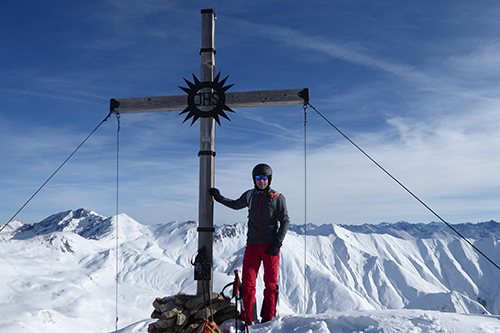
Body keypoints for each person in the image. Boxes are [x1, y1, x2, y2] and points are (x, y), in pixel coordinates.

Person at [209, 163, 290, 324]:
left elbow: (285, 221)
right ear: (254, 179)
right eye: (258, 178)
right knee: (247, 284)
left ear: (269, 179)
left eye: (264, 178)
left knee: (271, 285)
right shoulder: (250, 195)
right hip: (252, 247)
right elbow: (235, 205)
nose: (261, 181)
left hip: (270, 247)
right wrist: (219, 198)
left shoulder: (277, 198)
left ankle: (268, 319)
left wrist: (277, 244)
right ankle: (248, 319)